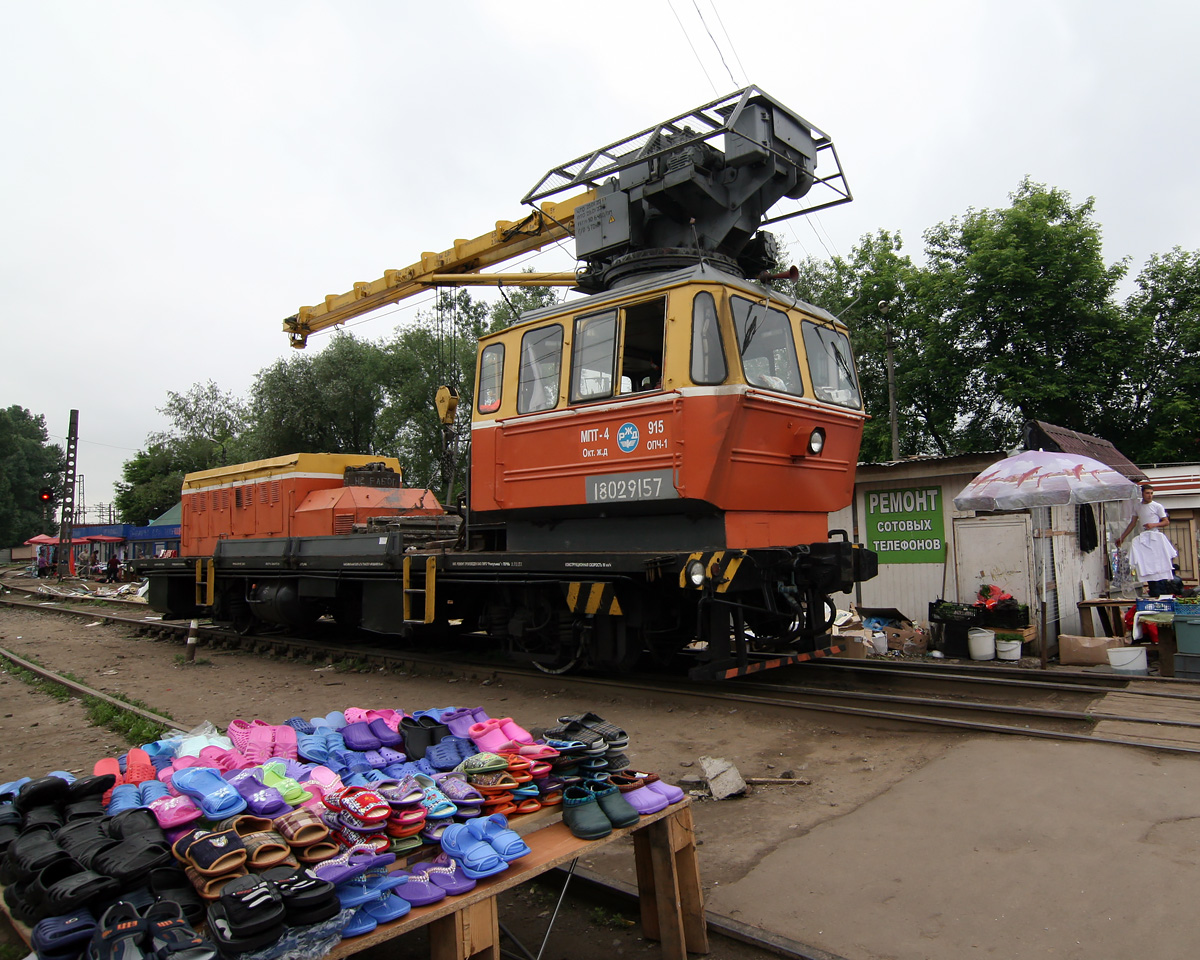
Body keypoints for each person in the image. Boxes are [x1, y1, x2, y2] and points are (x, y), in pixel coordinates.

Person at [1118, 484, 1177, 596]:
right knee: (1148, 565)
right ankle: (1153, 591)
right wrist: (1122, 537)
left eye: (1151, 493)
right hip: (1144, 539)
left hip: (1155, 537)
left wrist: (1153, 524)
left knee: (1160, 564)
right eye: (1147, 493)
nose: (1150, 496)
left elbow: (1166, 521)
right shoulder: (1137, 506)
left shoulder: (1157, 506)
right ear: (1142, 494)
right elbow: (1133, 523)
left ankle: (1163, 591)